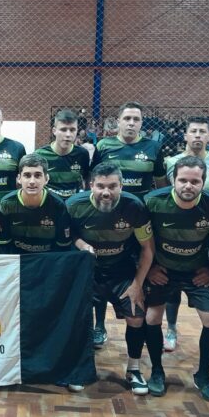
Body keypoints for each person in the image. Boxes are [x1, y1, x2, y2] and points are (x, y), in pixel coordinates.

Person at [141, 156, 209, 399]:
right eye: (183, 180)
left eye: (195, 181)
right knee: (152, 317)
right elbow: (139, 240)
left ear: (204, 182)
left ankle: (203, 375)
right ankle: (157, 371)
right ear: (173, 180)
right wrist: (150, 268)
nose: (188, 186)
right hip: (163, 271)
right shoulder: (153, 202)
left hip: (196, 272)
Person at [66, 163, 155, 393]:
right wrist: (82, 244)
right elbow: (70, 235)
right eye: (101, 186)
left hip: (121, 270)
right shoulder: (75, 205)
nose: (107, 192)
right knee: (78, 318)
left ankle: (133, 369)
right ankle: (78, 367)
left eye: (113, 186)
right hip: (87, 271)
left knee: (136, 315)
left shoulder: (134, 206)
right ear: (90, 186)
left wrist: (137, 284)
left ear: (121, 186)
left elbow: (147, 249)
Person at [89, 102, 167, 346]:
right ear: (118, 122)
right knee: (101, 269)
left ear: (142, 123)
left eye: (136, 119)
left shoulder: (153, 147)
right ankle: (99, 326)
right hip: (108, 217)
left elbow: (161, 183)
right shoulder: (104, 146)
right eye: (127, 118)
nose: (131, 123)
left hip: (139, 219)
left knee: (138, 264)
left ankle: (135, 310)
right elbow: (94, 179)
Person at [162, 117, 209, 351]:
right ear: (185, 135)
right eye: (194, 131)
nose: (198, 135)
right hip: (176, 230)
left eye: (203, 131)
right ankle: (170, 329)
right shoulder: (171, 161)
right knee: (172, 283)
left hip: (206, 233)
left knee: (207, 279)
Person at [0, 154, 72, 255]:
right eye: (27, 175)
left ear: (46, 179)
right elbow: (4, 244)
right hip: (18, 261)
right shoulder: (6, 203)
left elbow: (62, 247)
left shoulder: (58, 205)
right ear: (19, 179)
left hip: (47, 260)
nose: (32, 181)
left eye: (37, 175)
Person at [35, 109, 90, 200]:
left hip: (73, 206)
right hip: (49, 205)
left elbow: (85, 180)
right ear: (54, 131)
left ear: (77, 131)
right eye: (63, 129)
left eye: (72, 130)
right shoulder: (40, 155)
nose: (68, 134)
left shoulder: (82, 154)